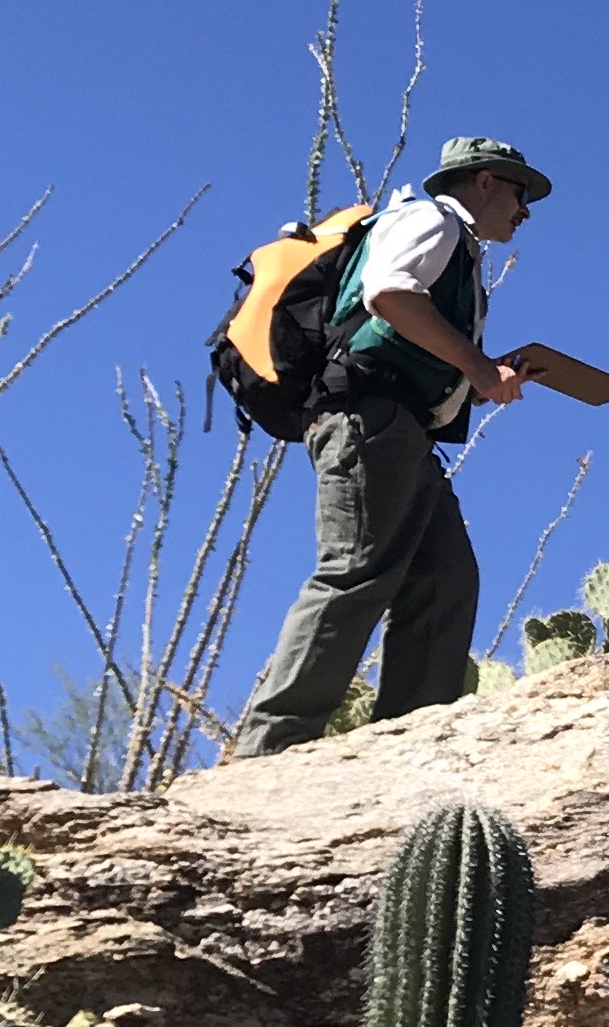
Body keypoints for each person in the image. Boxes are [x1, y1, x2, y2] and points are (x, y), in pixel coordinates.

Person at [230, 134, 552, 757]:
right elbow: (390, 295)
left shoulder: (455, 244)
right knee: (355, 572)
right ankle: (266, 749)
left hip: (399, 430)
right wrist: (481, 369)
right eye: (518, 192)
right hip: (369, 420)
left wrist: (482, 375)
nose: (525, 209)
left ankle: (408, 741)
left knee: (445, 578)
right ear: (483, 181)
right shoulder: (433, 220)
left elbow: (401, 330)